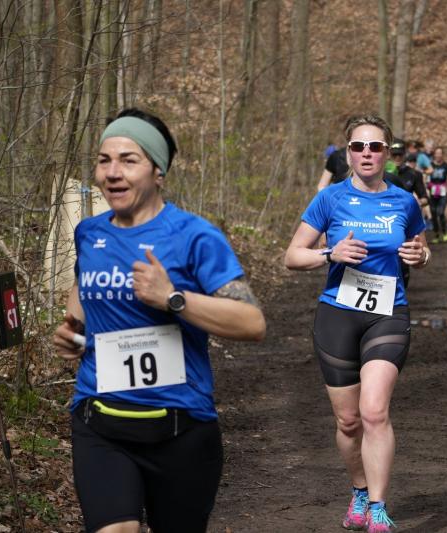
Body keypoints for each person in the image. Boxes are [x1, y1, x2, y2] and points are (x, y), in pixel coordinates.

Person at [52, 108, 266, 533]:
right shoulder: (89, 232)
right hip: (100, 420)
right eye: (104, 160)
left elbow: (252, 322)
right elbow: (83, 284)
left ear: (158, 172)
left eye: (128, 160)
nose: (113, 172)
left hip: (181, 427)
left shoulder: (194, 236)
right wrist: (74, 329)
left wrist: (172, 299)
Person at [285, 114, 429, 533]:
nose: (367, 153)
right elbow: (292, 256)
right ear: (347, 153)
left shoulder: (404, 201)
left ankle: (379, 508)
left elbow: (421, 249)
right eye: (358, 146)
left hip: (388, 312)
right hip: (338, 314)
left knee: (374, 411)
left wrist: (421, 256)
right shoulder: (329, 199)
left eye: (375, 147)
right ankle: (361, 491)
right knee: (348, 422)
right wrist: (328, 254)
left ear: (387, 154)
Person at [387, 138, 430, 288]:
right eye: (394, 154)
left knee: (403, 261)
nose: (397, 158)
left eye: (400, 154)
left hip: (405, 222)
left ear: (405, 154)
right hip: (382, 220)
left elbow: (425, 198)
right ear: (388, 154)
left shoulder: (414, 174)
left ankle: (400, 289)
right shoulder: (380, 174)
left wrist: (415, 204)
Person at [426, 147, 447, 243]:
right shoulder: (430, 165)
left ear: (442, 155)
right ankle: (437, 234)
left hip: (443, 191)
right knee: (433, 213)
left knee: (440, 212)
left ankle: (445, 232)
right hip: (432, 191)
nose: (438, 155)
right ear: (434, 155)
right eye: (436, 153)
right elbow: (425, 175)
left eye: (440, 153)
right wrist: (426, 186)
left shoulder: (446, 166)